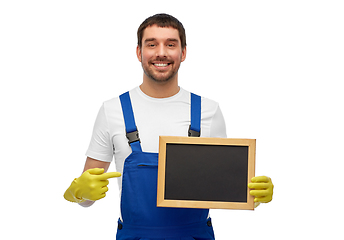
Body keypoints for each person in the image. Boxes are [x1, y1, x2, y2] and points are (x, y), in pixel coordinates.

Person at [64, 13, 274, 239]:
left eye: (170, 44)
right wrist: (77, 192)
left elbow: (221, 189)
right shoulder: (112, 110)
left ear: (183, 52)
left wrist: (254, 195)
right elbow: (86, 199)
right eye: (151, 44)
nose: (161, 52)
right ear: (139, 52)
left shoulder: (208, 112)